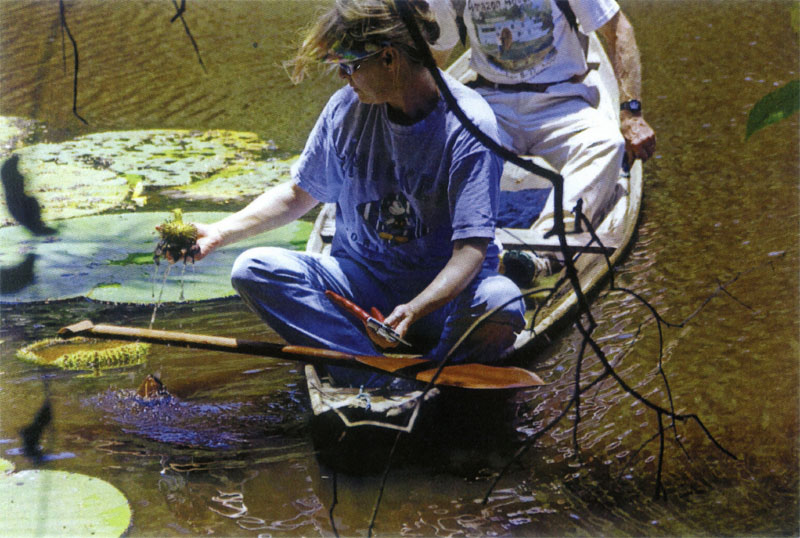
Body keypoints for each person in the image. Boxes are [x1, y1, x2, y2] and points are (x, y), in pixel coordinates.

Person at [187, 0, 525, 388]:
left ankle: (435, 369)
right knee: (253, 269)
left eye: (350, 66)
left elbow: (471, 252)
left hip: (443, 302)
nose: (344, 78)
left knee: (502, 301)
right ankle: (373, 371)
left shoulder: (468, 125)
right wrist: (221, 231)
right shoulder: (346, 109)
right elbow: (299, 194)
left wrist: (415, 308)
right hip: (361, 288)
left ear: (388, 59)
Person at [425, 0, 657, 277]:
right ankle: (475, 246)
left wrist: (630, 113)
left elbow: (618, 29)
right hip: (491, 103)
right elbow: (434, 59)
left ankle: (540, 254)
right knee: (446, 146)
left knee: (607, 144)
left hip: (564, 100)